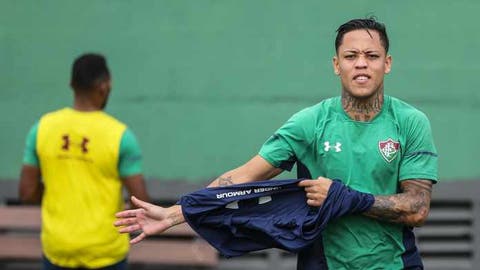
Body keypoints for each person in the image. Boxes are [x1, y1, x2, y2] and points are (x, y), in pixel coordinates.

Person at [114, 17, 437, 270]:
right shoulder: (311, 123)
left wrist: (346, 198)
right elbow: (244, 176)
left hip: (396, 264)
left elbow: (417, 207)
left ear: (388, 63)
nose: (362, 63)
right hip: (322, 264)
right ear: (337, 65)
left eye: (372, 56)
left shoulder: (410, 122)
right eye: (351, 56)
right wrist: (175, 213)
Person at [19, 53, 149, 270]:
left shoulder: (41, 129)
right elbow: (140, 201)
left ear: (71, 84)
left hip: (57, 250)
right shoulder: (120, 136)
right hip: (107, 253)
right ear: (104, 86)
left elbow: (27, 193)